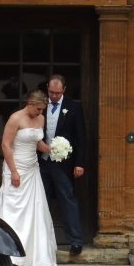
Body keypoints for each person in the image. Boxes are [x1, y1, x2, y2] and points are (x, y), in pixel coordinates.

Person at [0, 89, 57, 266]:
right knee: (13, 207)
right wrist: (14, 171)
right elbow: (5, 145)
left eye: (42, 110)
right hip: (16, 166)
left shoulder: (40, 119)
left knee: (34, 207)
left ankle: (31, 254)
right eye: (38, 109)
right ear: (30, 104)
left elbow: (37, 143)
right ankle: (7, 254)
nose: (40, 113)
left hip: (32, 168)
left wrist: (52, 149)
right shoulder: (15, 118)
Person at [39, 74, 87, 255]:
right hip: (42, 162)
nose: (53, 96)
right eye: (51, 92)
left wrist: (80, 163)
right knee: (40, 201)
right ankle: (41, 241)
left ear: (64, 90)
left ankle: (75, 241)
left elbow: (81, 138)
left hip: (63, 164)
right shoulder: (41, 105)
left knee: (67, 200)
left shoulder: (74, 107)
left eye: (57, 93)